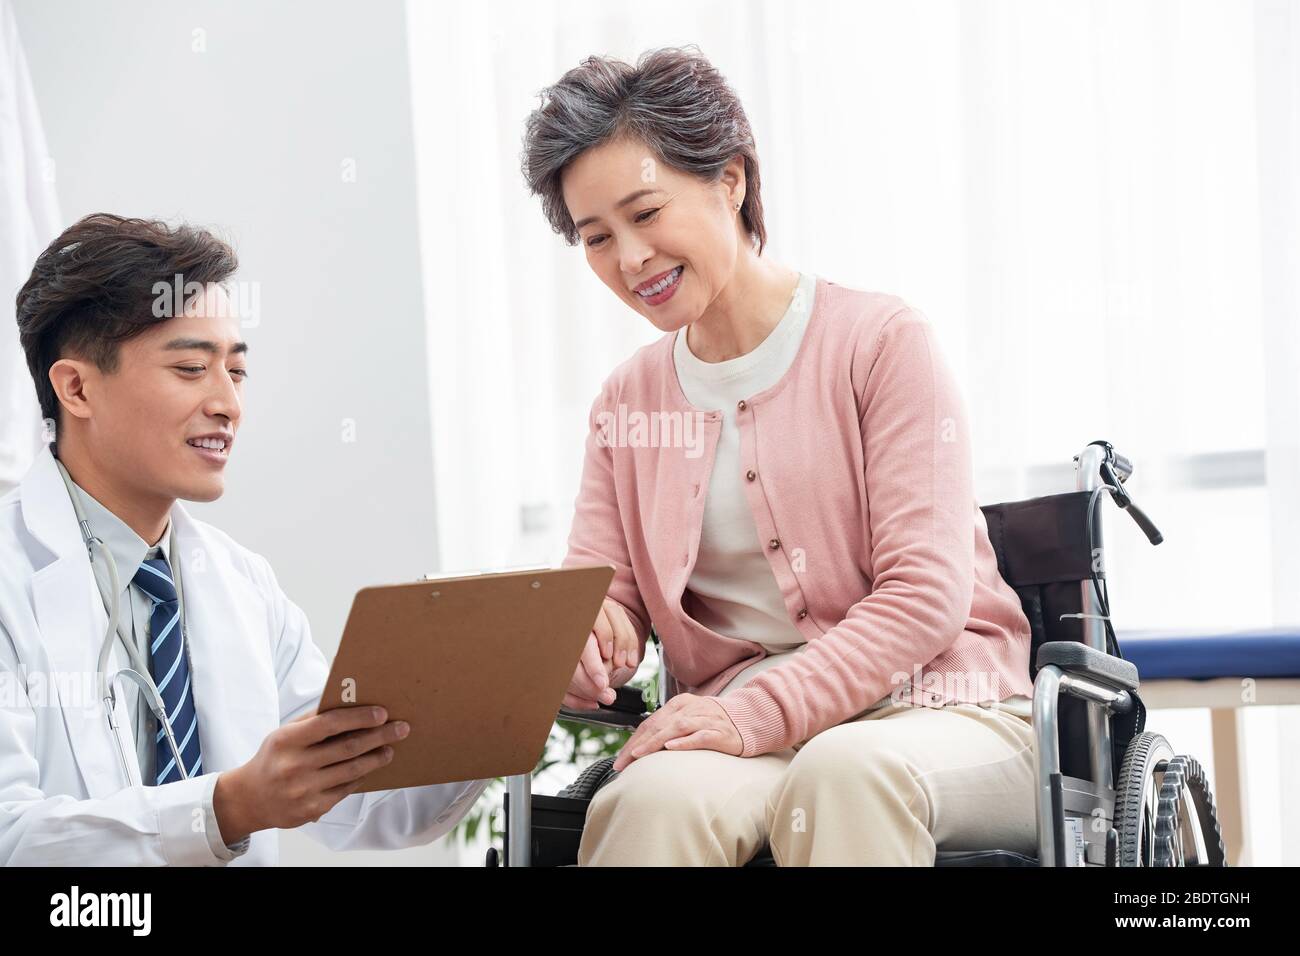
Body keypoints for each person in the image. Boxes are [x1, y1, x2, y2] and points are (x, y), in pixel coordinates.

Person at [521, 47, 1039, 865]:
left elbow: (924, 598)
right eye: (596, 237)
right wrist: (597, 631)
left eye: (647, 213)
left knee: (846, 773)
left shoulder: (880, 344)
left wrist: (753, 715)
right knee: (647, 801)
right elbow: (604, 589)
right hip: (745, 730)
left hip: (942, 709)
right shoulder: (628, 402)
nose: (629, 260)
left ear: (729, 179)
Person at [0, 213, 489, 865]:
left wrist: (496, 697)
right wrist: (228, 807)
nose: (229, 404)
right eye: (191, 369)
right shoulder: (12, 576)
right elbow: (12, 837)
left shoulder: (239, 582)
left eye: (236, 371)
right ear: (77, 387)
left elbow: (363, 801)